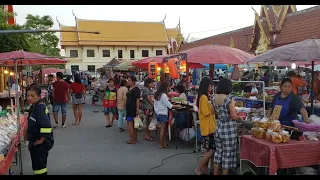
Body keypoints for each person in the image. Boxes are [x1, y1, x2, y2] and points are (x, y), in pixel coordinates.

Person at [213, 78, 241, 175]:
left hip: (219, 127)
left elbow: (213, 112)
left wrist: (222, 114)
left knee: (218, 152)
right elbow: (233, 116)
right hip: (229, 129)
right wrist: (239, 117)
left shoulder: (214, 98)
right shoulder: (229, 99)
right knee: (227, 155)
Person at [26, 85, 54, 175]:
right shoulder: (35, 106)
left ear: (38, 96)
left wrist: (41, 140)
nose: (29, 98)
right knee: (37, 166)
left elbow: (46, 125)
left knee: (39, 168)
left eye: (32, 96)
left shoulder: (40, 108)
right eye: (28, 95)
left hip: (40, 143)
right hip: (36, 141)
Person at [195, 77, 217, 175]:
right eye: (211, 86)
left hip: (207, 127)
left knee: (207, 150)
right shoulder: (203, 97)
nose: (212, 88)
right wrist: (214, 108)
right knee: (211, 151)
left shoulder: (203, 96)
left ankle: (204, 169)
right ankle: (199, 168)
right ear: (207, 86)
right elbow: (206, 112)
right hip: (208, 128)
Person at [154, 81, 181, 148]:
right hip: (163, 113)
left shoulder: (157, 94)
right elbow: (170, 106)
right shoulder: (163, 95)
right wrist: (178, 106)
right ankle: (161, 144)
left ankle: (164, 143)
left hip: (158, 113)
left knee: (162, 129)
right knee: (163, 129)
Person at [125, 76, 141, 144]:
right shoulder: (129, 88)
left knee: (131, 124)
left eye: (129, 80)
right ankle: (134, 138)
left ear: (133, 81)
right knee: (134, 124)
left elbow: (137, 100)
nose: (128, 81)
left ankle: (132, 139)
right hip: (129, 107)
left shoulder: (136, 89)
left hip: (133, 108)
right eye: (128, 80)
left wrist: (137, 109)